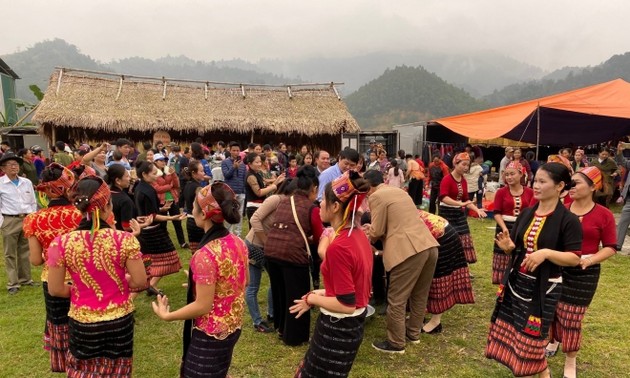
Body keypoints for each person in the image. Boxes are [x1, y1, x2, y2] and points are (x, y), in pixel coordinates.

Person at [487, 162, 583, 378]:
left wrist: (546, 253)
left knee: (532, 339)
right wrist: (509, 248)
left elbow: (574, 258)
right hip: (517, 283)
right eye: (535, 180)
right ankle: (543, 373)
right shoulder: (528, 213)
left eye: (542, 181)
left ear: (559, 186)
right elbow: (520, 248)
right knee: (518, 337)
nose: (535, 186)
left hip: (544, 287)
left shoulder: (568, 220)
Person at [46, 176, 147, 377]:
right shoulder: (125, 240)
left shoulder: (61, 243)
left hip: (83, 322)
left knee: (82, 371)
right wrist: (115, 283)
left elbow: (55, 289)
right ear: (108, 205)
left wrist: (83, 289)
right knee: (119, 369)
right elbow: (140, 282)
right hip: (120, 321)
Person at [152, 182, 248, 378]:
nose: (191, 210)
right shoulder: (238, 242)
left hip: (210, 334)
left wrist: (168, 315)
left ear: (204, 214)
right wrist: (203, 284)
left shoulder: (205, 255)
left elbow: (203, 306)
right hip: (233, 326)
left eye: (193, 206)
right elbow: (241, 282)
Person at [291, 171, 372, 377]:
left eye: (323, 200)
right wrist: (318, 293)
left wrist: (312, 298)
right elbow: (349, 285)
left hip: (337, 328)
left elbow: (346, 304)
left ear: (335, 206)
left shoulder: (339, 247)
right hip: (350, 327)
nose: (319, 204)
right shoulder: (358, 234)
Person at [545, 167, 616, 378]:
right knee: (553, 311)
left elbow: (611, 246)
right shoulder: (561, 209)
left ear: (593, 187)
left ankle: (570, 361)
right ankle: (553, 340)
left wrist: (591, 259)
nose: (570, 187)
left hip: (585, 273)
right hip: (558, 267)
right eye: (569, 183)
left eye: (576, 183)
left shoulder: (604, 214)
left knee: (572, 318)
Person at [363, 170, 439, 354]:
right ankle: (413, 334)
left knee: (396, 299)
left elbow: (377, 230)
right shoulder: (397, 191)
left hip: (408, 250)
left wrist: (367, 232)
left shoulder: (376, 196)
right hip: (429, 245)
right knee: (420, 295)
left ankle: (396, 343)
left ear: (369, 186)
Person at [23, 163, 82, 372]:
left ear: (46, 191)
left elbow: (36, 261)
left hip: (52, 282)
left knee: (60, 325)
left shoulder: (34, 219)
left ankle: (65, 367)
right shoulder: (82, 215)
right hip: (84, 278)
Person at [264, 165, 323, 346]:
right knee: (297, 296)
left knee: (280, 292)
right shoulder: (311, 208)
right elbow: (320, 235)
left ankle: (281, 328)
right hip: (293, 256)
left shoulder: (283, 201)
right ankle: (294, 337)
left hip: (271, 253)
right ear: (313, 189)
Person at [245, 179, 294, 333]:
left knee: (275, 281)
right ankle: (257, 321)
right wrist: (266, 241)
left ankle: (272, 313)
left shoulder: (289, 205)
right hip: (254, 246)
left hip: (269, 248)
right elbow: (254, 219)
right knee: (253, 286)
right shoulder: (276, 199)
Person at [418, 209, 474, 334]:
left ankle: (435, 322)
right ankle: (420, 314)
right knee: (424, 278)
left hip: (444, 236)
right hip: (434, 235)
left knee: (439, 277)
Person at [134, 161, 185, 294]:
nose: (157, 175)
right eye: (154, 173)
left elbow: (149, 211)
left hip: (147, 228)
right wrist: (170, 217)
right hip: (152, 230)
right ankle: (150, 285)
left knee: (154, 261)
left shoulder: (141, 187)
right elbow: (151, 215)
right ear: (144, 174)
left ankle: (150, 285)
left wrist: (162, 209)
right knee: (170, 259)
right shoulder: (148, 190)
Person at [491, 161, 535, 284]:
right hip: (504, 226)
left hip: (523, 227)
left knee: (520, 252)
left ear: (521, 174)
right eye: (507, 174)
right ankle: (502, 283)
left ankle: (517, 279)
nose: (509, 177)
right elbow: (496, 212)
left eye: (512, 174)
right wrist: (504, 228)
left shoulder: (530, 192)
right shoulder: (501, 192)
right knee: (503, 255)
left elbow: (532, 211)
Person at [1, 152, 38, 294]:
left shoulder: (26, 182)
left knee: (24, 250)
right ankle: (12, 283)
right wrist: (2, 222)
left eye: (16, 164)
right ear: (3, 168)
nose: (14, 167)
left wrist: (32, 217)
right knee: (10, 252)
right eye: (10, 165)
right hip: (9, 219)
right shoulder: (1, 184)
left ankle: (25, 279)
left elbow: (33, 201)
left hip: (26, 218)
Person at [439, 153, 486, 264]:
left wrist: (477, 210)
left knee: (464, 238)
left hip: (458, 213)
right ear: (455, 164)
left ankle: (462, 266)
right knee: (449, 240)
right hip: (447, 213)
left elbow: (466, 200)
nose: (465, 167)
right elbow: (443, 197)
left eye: (467, 165)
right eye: (463, 164)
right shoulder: (447, 179)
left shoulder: (463, 180)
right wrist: (459, 204)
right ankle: (450, 264)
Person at [153, 153, 188, 248]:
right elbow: (157, 188)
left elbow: (177, 185)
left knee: (177, 221)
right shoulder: (153, 173)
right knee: (163, 223)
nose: (163, 162)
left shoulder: (168, 171)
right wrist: (170, 186)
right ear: (155, 162)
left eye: (164, 160)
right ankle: (165, 243)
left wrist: (173, 175)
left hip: (173, 199)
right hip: (162, 201)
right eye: (161, 160)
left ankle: (182, 242)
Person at [245, 152, 285, 226]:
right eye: (257, 162)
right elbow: (259, 192)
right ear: (250, 164)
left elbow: (265, 187)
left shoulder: (257, 174)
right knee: (256, 232)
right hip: (253, 206)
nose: (259, 164)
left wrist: (277, 180)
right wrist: (273, 187)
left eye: (260, 162)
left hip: (260, 205)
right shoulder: (251, 176)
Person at [221, 141, 247, 236]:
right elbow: (226, 175)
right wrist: (233, 167)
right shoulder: (225, 162)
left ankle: (238, 234)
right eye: (234, 150)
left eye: (237, 150)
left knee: (239, 214)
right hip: (229, 192)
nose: (236, 152)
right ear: (230, 151)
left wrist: (244, 192)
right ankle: (228, 234)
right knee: (230, 213)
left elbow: (244, 179)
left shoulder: (243, 165)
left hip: (241, 192)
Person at [182, 160, 206, 253]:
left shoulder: (187, 185)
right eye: (201, 171)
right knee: (202, 252)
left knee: (195, 252)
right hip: (198, 222)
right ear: (194, 173)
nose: (203, 173)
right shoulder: (197, 188)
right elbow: (201, 204)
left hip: (190, 221)